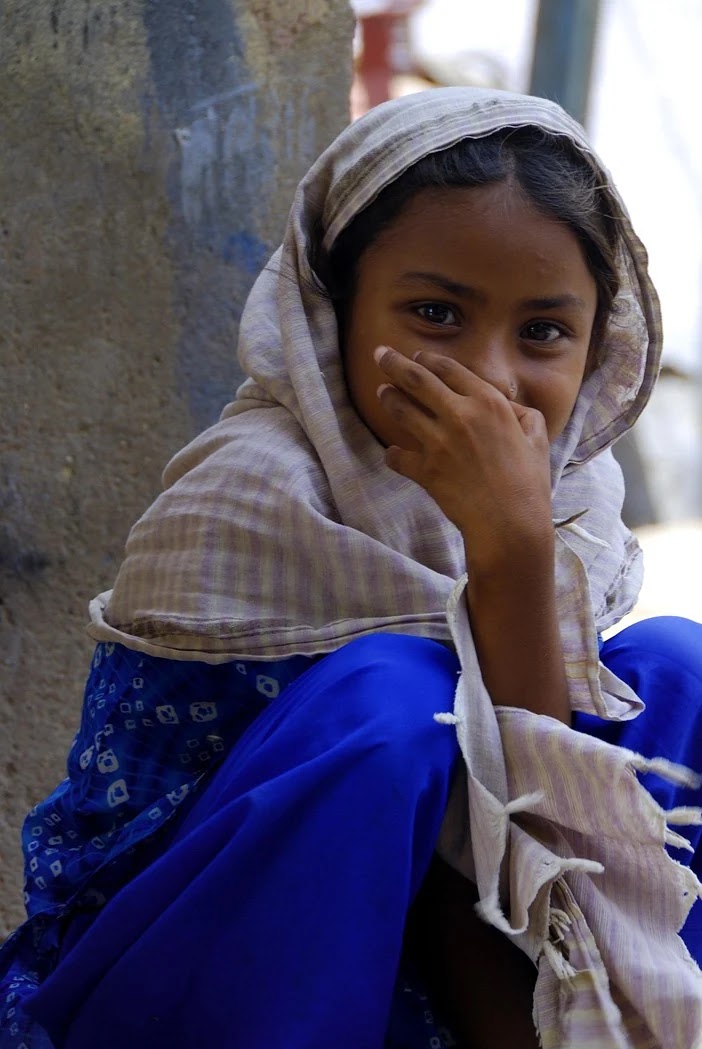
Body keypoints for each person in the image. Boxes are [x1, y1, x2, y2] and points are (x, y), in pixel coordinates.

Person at [1, 86, 702, 1049]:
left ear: (597, 348)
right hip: (241, 979)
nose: (492, 378)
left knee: (678, 665)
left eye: (543, 332)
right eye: (434, 313)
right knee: (396, 697)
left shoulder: (574, 507)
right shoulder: (253, 496)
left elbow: (553, 831)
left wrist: (517, 554)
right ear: (333, 314)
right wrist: (507, 556)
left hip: (513, 958)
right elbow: (118, 854)